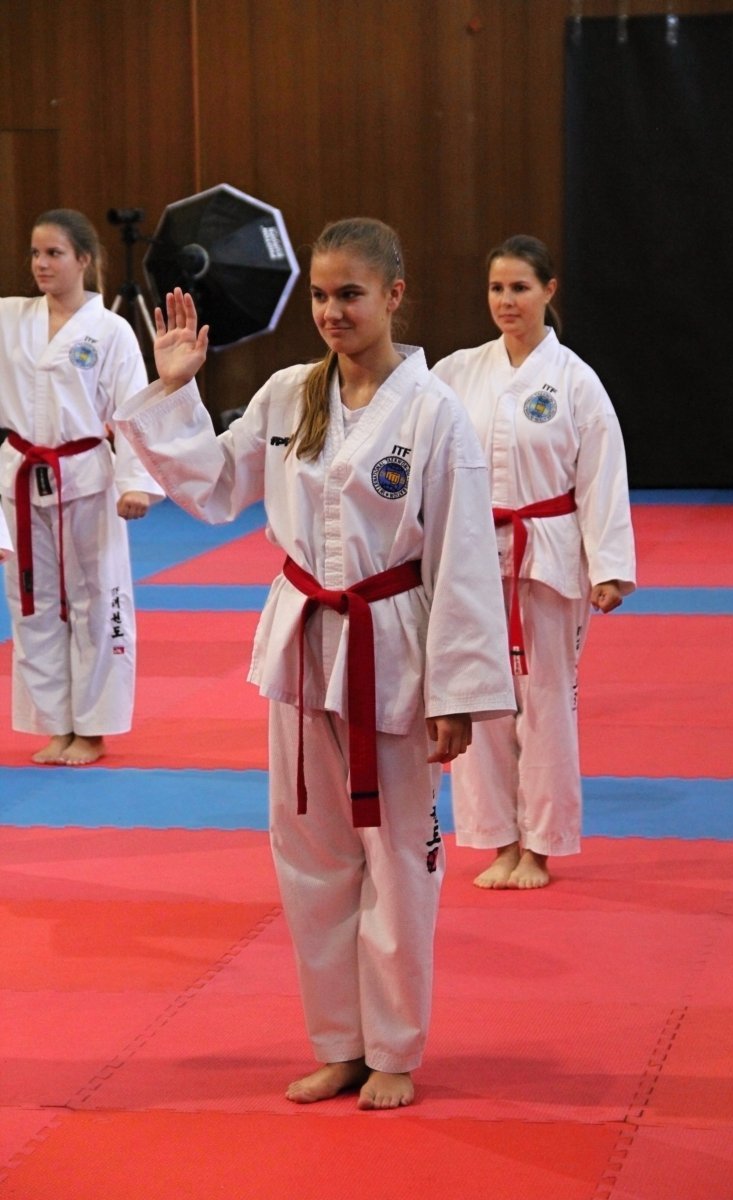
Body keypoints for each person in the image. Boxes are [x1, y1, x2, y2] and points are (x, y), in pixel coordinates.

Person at [115, 217, 515, 1110]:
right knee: (310, 855)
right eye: (323, 297)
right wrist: (176, 390)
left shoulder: (434, 413)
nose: (333, 312)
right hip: (302, 643)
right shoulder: (290, 394)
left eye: (351, 295)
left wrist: (460, 693)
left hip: (394, 647)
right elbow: (216, 488)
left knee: (399, 858)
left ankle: (396, 1049)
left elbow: (461, 556)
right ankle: (340, 1044)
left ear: (394, 296)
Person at [433, 234, 636, 890]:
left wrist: (608, 566)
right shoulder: (458, 372)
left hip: (546, 554)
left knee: (546, 703)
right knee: (478, 697)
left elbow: (601, 475)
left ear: (549, 291)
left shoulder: (575, 381)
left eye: (520, 288)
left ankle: (541, 847)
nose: (506, 301)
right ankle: (498, 839)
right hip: (472, 554)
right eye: (496, 288)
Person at [0, 209, 163, 765]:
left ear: (84, 260)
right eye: (35, 253)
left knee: (98, 602)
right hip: (21, 479)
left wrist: (135, 482)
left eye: (54, 253)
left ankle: (93, 729)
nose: (41, 264)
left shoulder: (111, 331)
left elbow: (133, 409)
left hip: (87, 480)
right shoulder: (10, 318)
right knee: (32, 603)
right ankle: (55, 723)